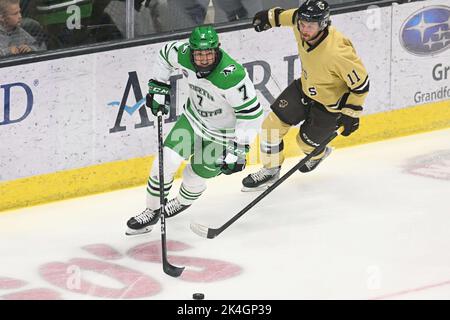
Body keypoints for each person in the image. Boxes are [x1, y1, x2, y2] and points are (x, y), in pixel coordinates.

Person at [126, 25, 263, 235]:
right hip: (193, 120)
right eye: (199, 54)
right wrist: (158, 85)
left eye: (209, 53)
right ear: (191, 51)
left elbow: (252, 114)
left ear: (217, 50)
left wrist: (239, 148)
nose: (204, 59)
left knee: (193, 176)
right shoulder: (183, 54)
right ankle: (152, 211)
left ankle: (181, 202)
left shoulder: (232, 76)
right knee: (164, 163)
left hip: (223, 136)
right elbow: (165, 53)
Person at [242, 0, 369, 191]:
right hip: (304, 88)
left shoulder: (338, 52)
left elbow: (361, 84)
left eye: (310, 25)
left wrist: (352, 114)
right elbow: (289, 16)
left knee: (304, 143)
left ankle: (318, 154)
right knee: (270, 127)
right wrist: (270, 18)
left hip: (329, 106)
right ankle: (270, 170)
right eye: (302, 24)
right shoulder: (300, 24)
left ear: (323, 24)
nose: (304, 29)